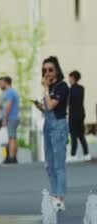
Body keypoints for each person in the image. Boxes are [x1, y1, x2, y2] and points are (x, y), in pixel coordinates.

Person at [33, 56, 69, 211]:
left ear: (57, 70)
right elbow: (47, 107)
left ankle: (60, 198)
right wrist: (39, 107)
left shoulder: (61, 86)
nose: (47, 73)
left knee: (59, 164)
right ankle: (54, 195)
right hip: (48, 126)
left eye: (50, 70)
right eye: (44, 70)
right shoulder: (51, 87)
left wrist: (46, 89)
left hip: (58, 126)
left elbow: (52, 105)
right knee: (49, 164)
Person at [68, 70, 90, 161]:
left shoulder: (70, 90)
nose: (69, 79)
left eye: (69, 77)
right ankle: (86, 153)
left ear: (73, 78)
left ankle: (73, 155)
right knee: (81, 134)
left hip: (73, 114)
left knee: (73, 135)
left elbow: (68, 102)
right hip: (81, 113)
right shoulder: (81, 88)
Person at [0, 76, 20, 164]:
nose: (0, 85)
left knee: (11, 138)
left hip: (11, 118)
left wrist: (5, 118)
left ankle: (11, 158)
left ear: (6, 82)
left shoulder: (9, 92)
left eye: (1, 83)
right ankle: (13, 157)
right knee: (13, 137)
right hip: (14, 117)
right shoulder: (12, 91)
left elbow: (9, 105)